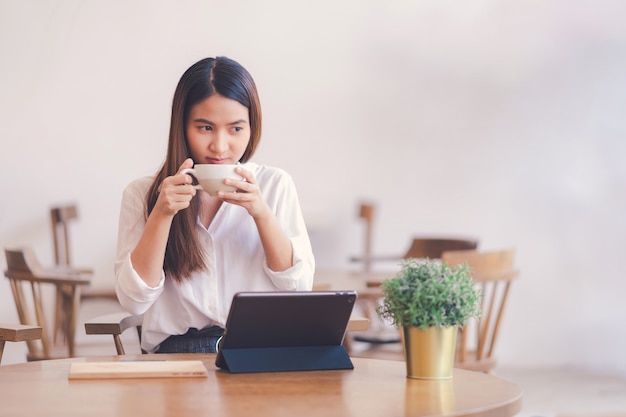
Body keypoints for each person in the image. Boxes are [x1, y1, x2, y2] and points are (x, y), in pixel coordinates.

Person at [115, 56, 315, 353]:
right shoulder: (143, 193)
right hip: (176, 356)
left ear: (252, 127)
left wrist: (260, 212)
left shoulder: (274, 185)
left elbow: (297, 289)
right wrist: (162, 213)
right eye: (205, 128)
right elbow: (134, 300)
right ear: (182, 126)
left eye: (235, 129)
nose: (220, 147)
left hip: (257, 351)